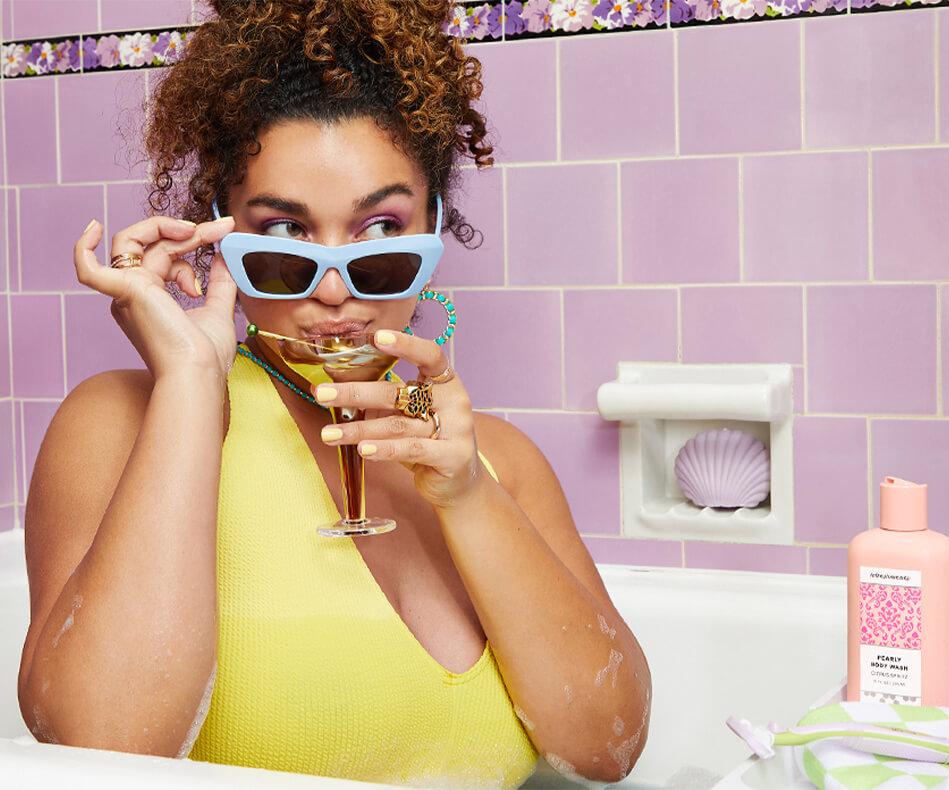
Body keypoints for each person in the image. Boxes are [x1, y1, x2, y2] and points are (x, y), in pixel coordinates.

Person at [15, 1, 650, 786]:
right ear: (220, 232)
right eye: (284, 236)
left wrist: (468, 497)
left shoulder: (500, 461)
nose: (333, 290)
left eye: (380, 231)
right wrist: (189, 387)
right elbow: (98, 753)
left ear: (433, 223)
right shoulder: (121, 423)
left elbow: (606, 749)